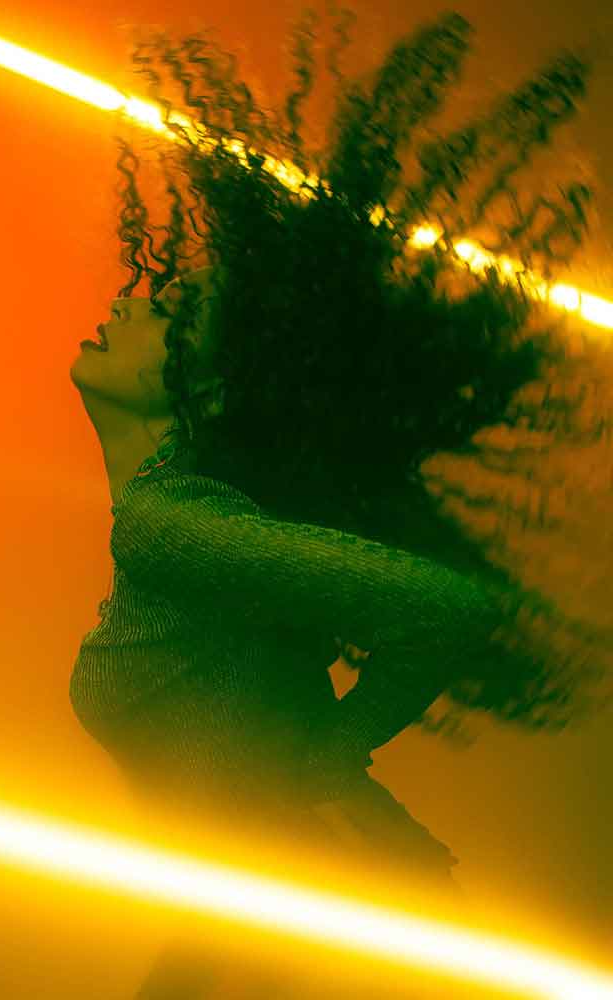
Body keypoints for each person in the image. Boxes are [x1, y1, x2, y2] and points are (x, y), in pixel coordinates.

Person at [69, 6, 613, 997]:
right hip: (292, 911)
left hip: (336, 904)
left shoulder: (164, 525)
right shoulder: (171, 518)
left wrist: (326, 750)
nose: (130, 298)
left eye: (173, 309)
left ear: (211, 388)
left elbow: (447, 607)